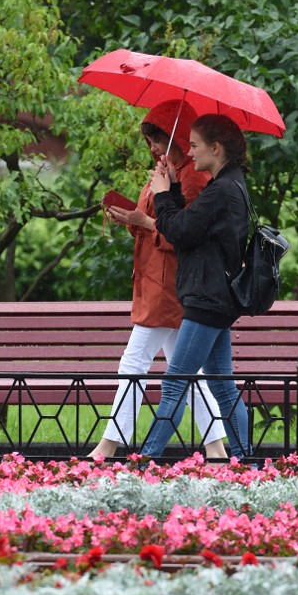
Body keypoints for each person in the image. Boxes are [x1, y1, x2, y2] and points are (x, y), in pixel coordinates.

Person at [88, 100, 228, 461]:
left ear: (177, 138)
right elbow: (157, 224)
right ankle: (215, 449)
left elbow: (183, 236)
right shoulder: (168, 172)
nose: (152, 146)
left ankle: (109, 445)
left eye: (158, 138)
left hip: (169, 286)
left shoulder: (192, 178)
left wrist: (148, 214)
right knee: (188, 371)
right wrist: (133, 217)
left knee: (133, 363)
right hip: (155, 281)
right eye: (149, 139)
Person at [139, 113, 252, 461]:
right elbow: (190, 227)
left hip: (207, 299)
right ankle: (246, 461)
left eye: (195, 145)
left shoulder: (220, 191)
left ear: (215, 148)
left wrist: (161, 195)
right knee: (221, 385)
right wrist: (172, 187)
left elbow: (181, 230)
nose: (189, 151)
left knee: (175, 382)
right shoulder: (231, 185)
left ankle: (146, 461)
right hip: (217, 299)